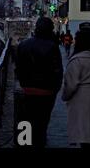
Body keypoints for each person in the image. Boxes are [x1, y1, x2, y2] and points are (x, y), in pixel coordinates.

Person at [15, 17, 63, 148]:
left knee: (25, 120)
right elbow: (58, 71)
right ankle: (39, 143)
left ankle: (23, 143)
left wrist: (23, 83)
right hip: (46, 92)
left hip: (26, 90)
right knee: (41, 123)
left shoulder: (23, 45)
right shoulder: (52, 47)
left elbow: (17, 68)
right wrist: (55, 89)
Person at [62, 30, 90, 149]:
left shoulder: (76, 60)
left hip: (79, 97)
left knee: (82, 130)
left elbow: (71, 84)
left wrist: (65, 96)